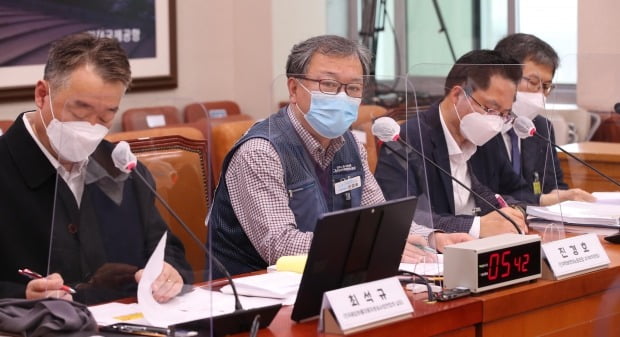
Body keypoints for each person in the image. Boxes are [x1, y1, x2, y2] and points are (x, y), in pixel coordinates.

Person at [207, 35, 471, 277]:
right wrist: (368, 248)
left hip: (328, 278)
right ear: (294, 88)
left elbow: (379, 218)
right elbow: (280, 245)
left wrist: (432, 239)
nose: (342, 97)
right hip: (251, 294)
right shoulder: (261, 151)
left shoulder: (349, 144)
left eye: (354, 88)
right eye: (329, 84)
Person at [0, 33, 191, 304]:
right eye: (80, 110)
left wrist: (169, 273)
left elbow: (165, 249)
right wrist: (21, 294)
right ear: (42, 95)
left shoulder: (121, 168)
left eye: (106, 115)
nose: (91, 127)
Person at [375, 50, 529, 238]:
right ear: (457, 95)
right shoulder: (406, 141)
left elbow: (516, 190)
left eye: (504, 114)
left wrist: (515, 212)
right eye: (491, 109)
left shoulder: (487, 136)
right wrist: (477, 227)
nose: (496, 122)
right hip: (437, 255)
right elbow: (402, 217)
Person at [471, 33, 594, 206]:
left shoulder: (541, 127)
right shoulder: (479, 126)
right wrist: (540, 200)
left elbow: (555, 186)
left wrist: (567, 198)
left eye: (545, 86)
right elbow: (483, 196)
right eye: (533, 82)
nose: (540, 94)